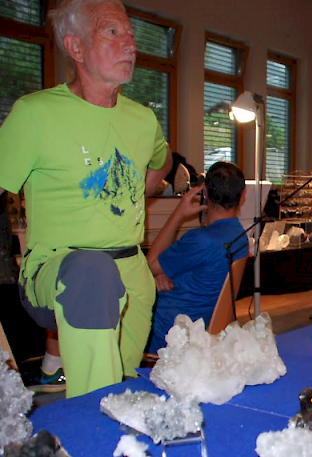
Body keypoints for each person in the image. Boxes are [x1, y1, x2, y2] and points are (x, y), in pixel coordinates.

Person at [0, 0, 172, 398]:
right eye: (112, 32)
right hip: (60, 270)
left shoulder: (142, 119)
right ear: (75, 47)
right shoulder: (35, 114)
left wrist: (131, 193)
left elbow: (161, 165)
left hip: (131, 276)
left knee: (124, 390)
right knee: (92, 275)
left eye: (130, 34)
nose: (130, 44)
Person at [146, 162, 249, 353]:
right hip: (206, 328)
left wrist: (178, 214)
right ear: (243, 195)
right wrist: (161, 274)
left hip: (168, 334)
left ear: (205, 195)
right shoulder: (240, 237)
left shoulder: (199, 240)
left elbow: (150, 265)